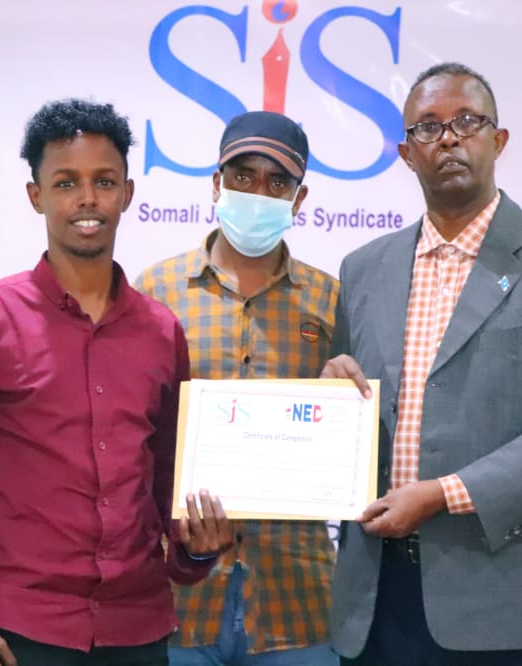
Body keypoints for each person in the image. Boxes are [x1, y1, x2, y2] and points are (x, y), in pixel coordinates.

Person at [0, 99, 233, 666]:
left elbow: (167, 485)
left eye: (104, 181)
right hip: (18, 632)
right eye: (65, 182)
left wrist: (196, 553)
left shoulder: (159, 330)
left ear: (127, 193)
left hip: (139, 632)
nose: (87, 200)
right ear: (37, 196)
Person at [320, 62, 522, 665]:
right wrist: (331, 402)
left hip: (511, 601)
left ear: (499, 139)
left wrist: (440, 494)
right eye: (428, 128)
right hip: (378, 600)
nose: (449, 138)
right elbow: (355, 417)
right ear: (407, 153)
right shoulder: (363, 267)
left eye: (467, 121)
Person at [134, 111, 339, 666]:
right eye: (243, 175)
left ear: (300, 200)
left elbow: (358, 443)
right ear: (216, 183)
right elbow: (131, 430)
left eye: (278, 182)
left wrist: (345, 400)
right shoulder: (154, 292)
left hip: (295, 596)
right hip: (179, 597)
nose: (258, 192)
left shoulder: (332, 302)